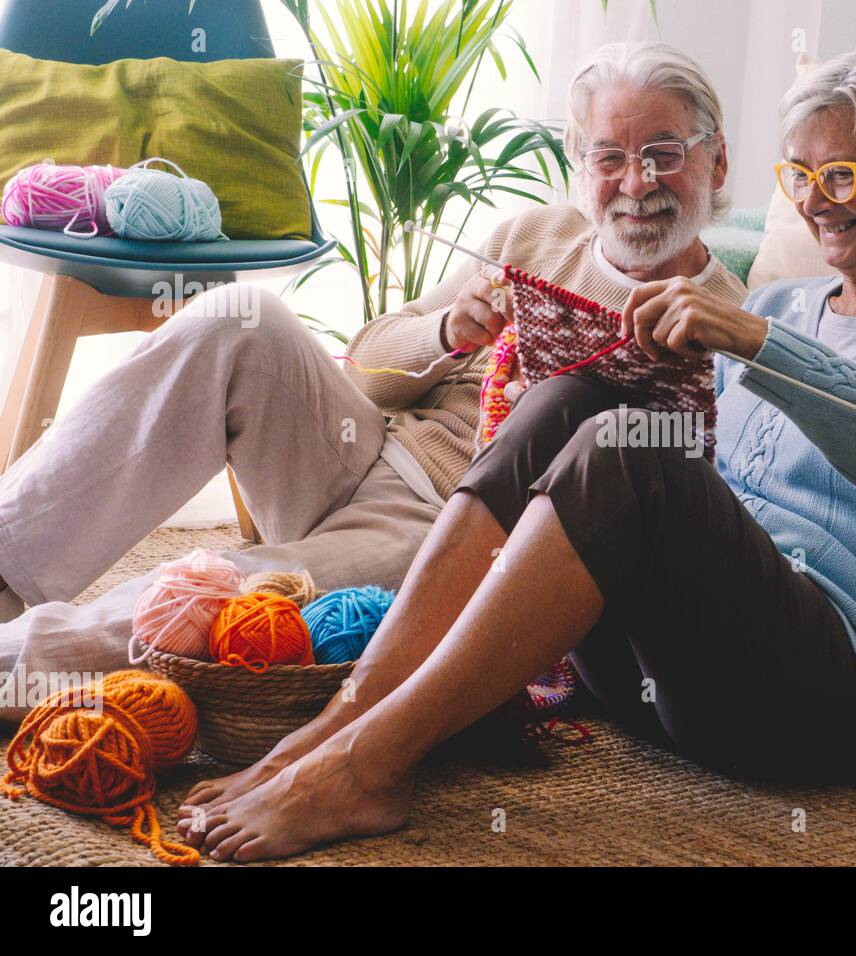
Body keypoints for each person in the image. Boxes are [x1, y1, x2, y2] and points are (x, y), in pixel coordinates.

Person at [176, 46, 856, 864]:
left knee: (626, 447)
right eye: (803, 175)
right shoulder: (791, 301)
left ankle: (369, 768)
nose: (818, 199)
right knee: (573, 400)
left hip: (830, 704)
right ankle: (342, 720)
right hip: (668, 679)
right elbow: (715, 484)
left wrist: (759, 347)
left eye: (843, 173)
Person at [0, 39, 744, 720]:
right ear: (582, 169)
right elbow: (366, 370)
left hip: (453, 534)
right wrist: (448, 331)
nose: (636, 181)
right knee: (238, 315)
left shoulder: (733, 328)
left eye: (663, 151)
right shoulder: (532, 236)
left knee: (231, 588)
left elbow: (693, 520)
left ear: (716, 164)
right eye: (609, 156)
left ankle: (16, 666)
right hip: (363, 449)